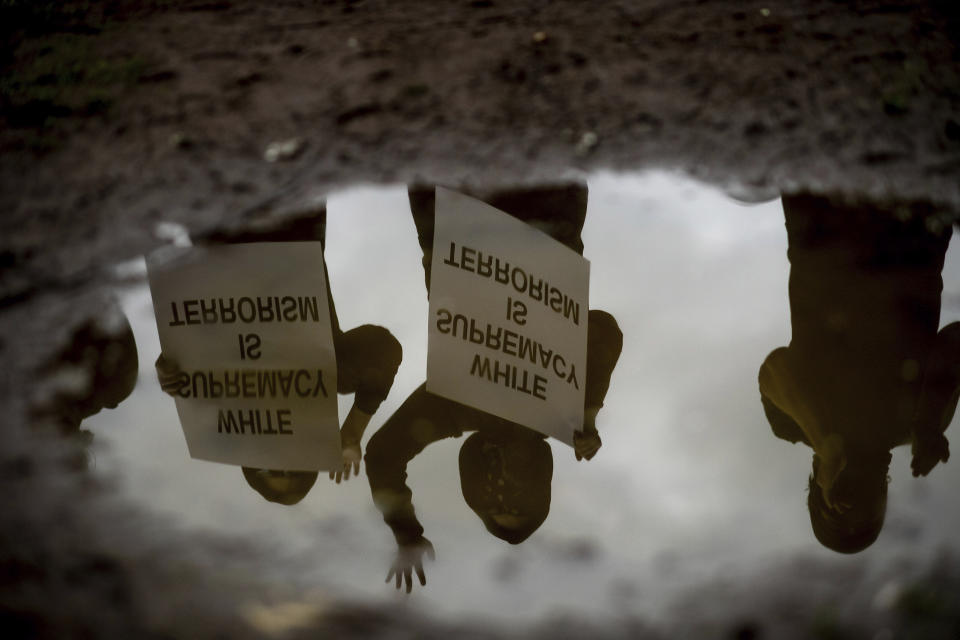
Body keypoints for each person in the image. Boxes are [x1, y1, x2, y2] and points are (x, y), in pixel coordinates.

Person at [364, 182, 622, 591]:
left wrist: (406, 532)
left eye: (494, 505)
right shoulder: (560, 405)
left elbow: (382, 454)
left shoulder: (455, 404)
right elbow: (605, 330)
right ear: (540, 484)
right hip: (550, 211)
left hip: (454, 203)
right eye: (516, 502)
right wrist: (587, 410)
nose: (501, 489)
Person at [156, 204, 402, 504]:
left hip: (217, 229)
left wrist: (170, 367)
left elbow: (185, 333)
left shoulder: (214, 395)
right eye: (294, 471)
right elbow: (384, 348)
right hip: (293, 219)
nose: (282, 462)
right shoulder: (326, 376)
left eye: (270, 469)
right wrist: (353, 429)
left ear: (249, 461)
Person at [758, 193, 959, 553]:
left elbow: (775, 368)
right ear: (883, 496)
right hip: (916, 223)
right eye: (867, 513)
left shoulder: (791, 423)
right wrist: (928, 420)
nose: (855, 504)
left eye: (837, 510)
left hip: (823, 219)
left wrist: (826, 443)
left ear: (818, 489)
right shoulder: (921, 425)